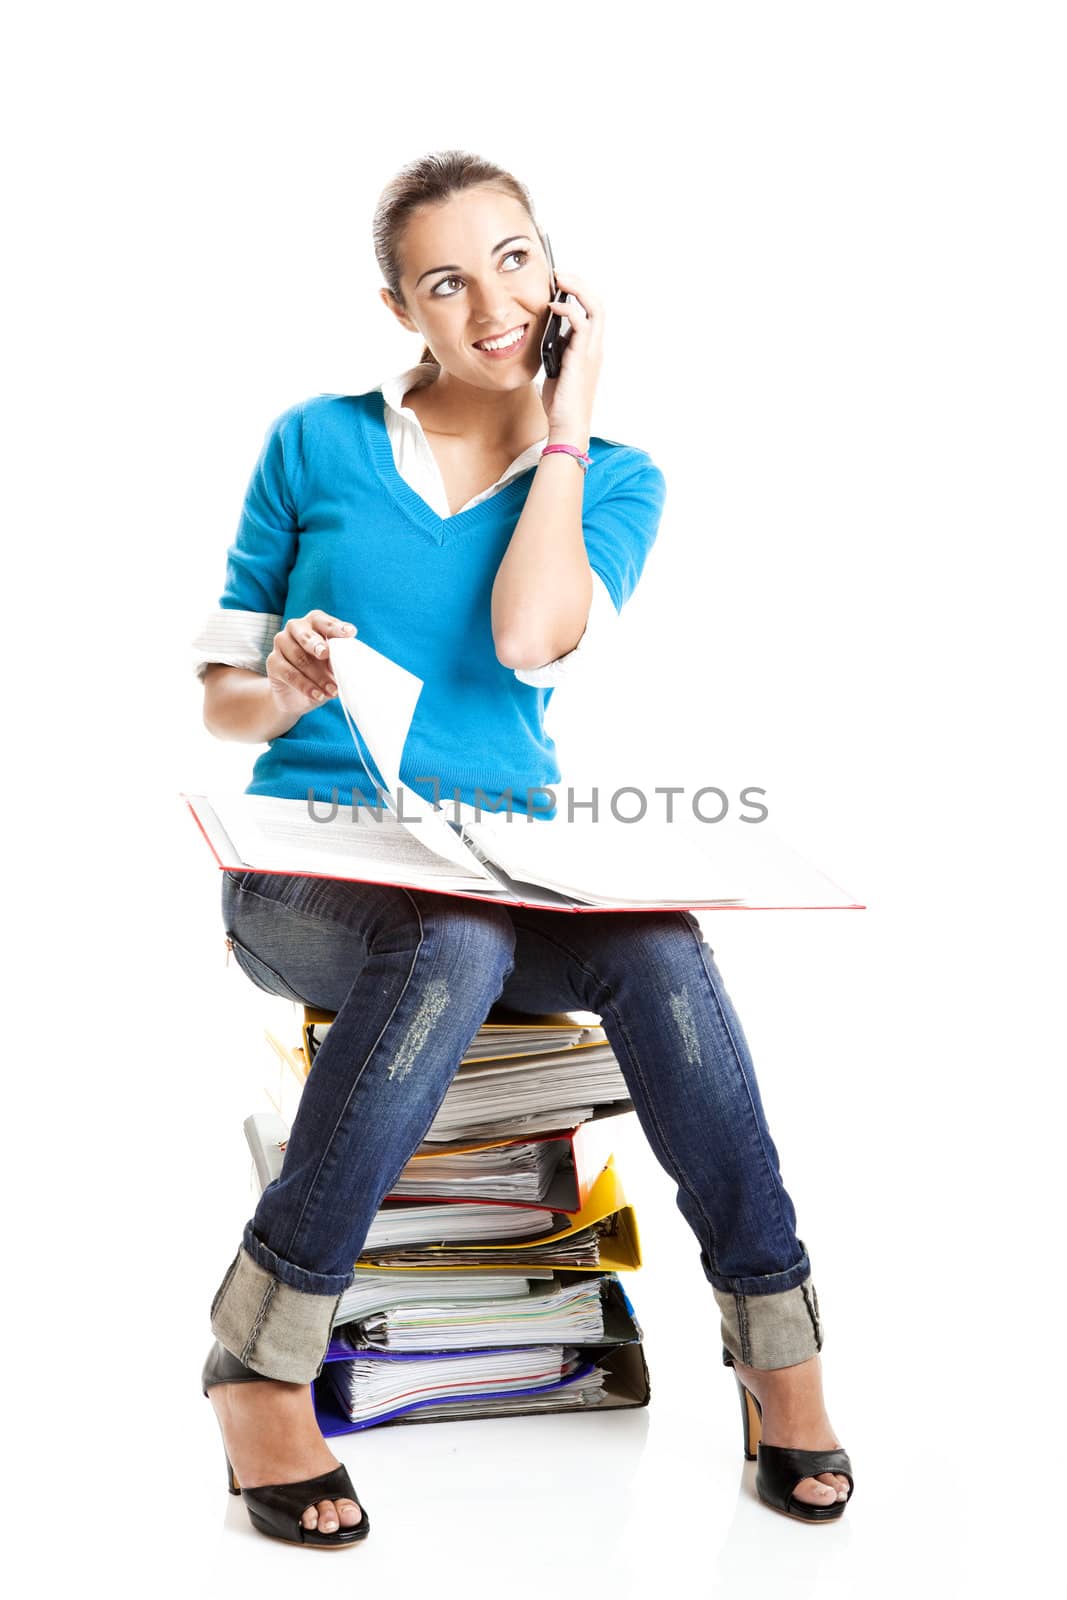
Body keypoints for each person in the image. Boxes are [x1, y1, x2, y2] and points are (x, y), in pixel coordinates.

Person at [192, 149, 853, 1549]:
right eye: (446, 280)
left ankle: (776, 1345)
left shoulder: (616, 477)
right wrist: (291, 685)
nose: (489, 299)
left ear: (557, 273)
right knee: (448, 937)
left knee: (657, 945)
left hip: (495, 866)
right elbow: (222, 693)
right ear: (400, 310)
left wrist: (564, 425)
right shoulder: (314, 441)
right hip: (308, 869)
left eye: (513, 258)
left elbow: (528, 636)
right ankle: (260, 1362)